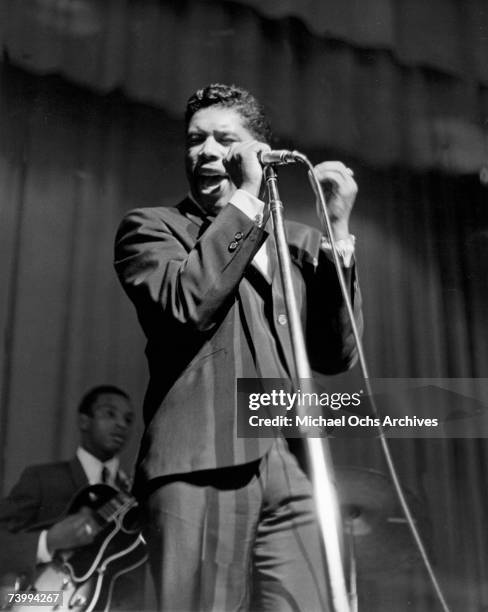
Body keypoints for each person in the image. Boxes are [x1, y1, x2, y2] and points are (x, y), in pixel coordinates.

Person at [114, 83, 362, 611]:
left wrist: (336, 233)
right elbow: (189, 304)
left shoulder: (297, 243)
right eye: (194, 140)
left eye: (223, 138)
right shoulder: (152, 229)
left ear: (260, 154)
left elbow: (336, 355)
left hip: (295, 462)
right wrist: (246, 202)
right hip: (201, 460)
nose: (205, 151)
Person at [0, 385, 137, 606]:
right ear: (84, 421)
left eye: (129, 419)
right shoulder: (43, 479)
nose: (121, 424)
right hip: (41, 601)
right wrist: (48, 541)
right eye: (110, 413)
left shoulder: (132, 495)